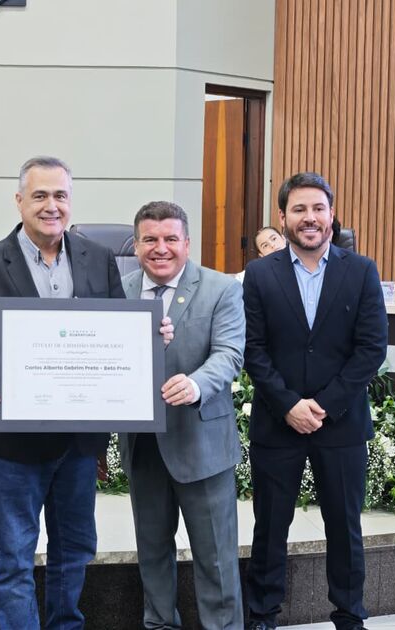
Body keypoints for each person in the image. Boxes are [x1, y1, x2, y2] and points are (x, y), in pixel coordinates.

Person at [0, 156, 173, 629]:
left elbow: (114, 333)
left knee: (74, 551)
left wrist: (149, 336)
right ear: (20, 201)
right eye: (41, 195)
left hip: (78, 442)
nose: (52, 206)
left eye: (61, 195)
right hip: (14, 443)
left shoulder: (97, 258)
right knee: (14, 558)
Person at [241, 172, 388, 630]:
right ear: (282, 217)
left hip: (340, 425)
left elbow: (371, 349)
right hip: (276, 422)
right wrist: (288, 405)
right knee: (270, 529)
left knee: (344, 529)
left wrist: (323, 406)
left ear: (331, 215)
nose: (310, 218)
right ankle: (262, 615)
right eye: (299, 209)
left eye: (318, 209)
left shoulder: (361, 270)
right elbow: (253, 349)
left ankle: (349, 616)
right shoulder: (259, 274)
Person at [120, 201, 245, 629]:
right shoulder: (118, 290)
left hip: (201, 443)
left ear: (187, 243)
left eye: (171, 239)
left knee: (216, 559)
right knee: (152, 552)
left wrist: (195, 385)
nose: (161, 248)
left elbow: (229, 354)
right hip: (143, 447)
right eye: (150, 239)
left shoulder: (221, 288)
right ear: (136, 245)